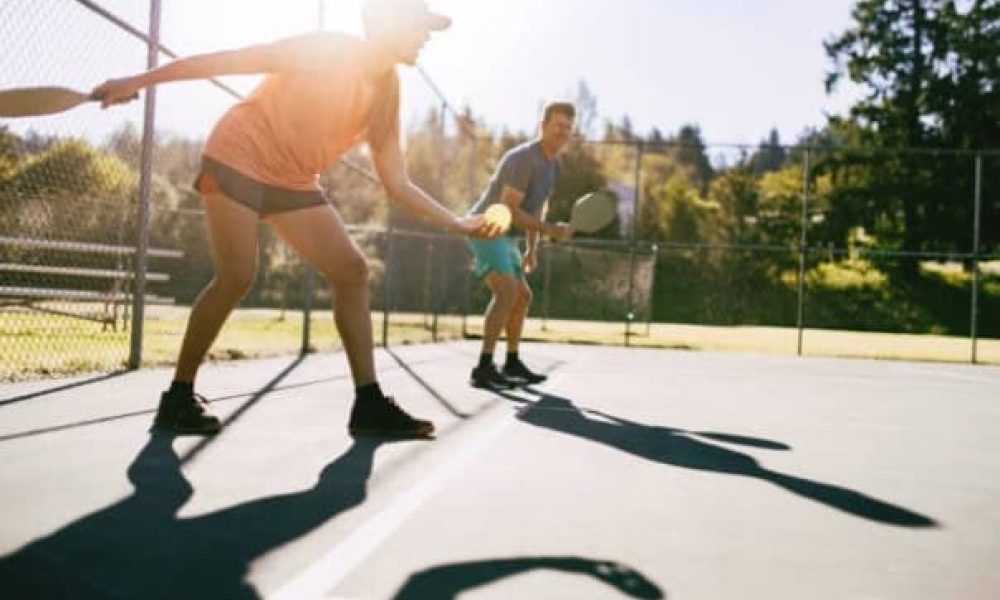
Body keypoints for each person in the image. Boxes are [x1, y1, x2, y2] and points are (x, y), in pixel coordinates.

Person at [93, 0, 501, 438]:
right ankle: (177, 398)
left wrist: (457, 222)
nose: (425, 37)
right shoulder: (325, 49)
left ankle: (368, 405)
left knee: (351, 271)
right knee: (237, 277)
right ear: (389, 23)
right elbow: (227, 60)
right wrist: (136, 80)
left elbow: (397, 182)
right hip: (239, 153)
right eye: (420, 26)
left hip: (294, 178)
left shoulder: (388, 89)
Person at [465, 101, 575, 389]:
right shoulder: (523, 158)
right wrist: (551, 230)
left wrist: (533, 247)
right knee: (507, 290)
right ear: (543, 126)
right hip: (486, 226)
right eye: (557, 125)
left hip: (506, 235)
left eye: (567, 127)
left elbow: (538, 208)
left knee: (522, 296)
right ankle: (483, 368)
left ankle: (511, 362)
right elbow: (509, 209)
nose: (562, 132)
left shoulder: (553, 164)